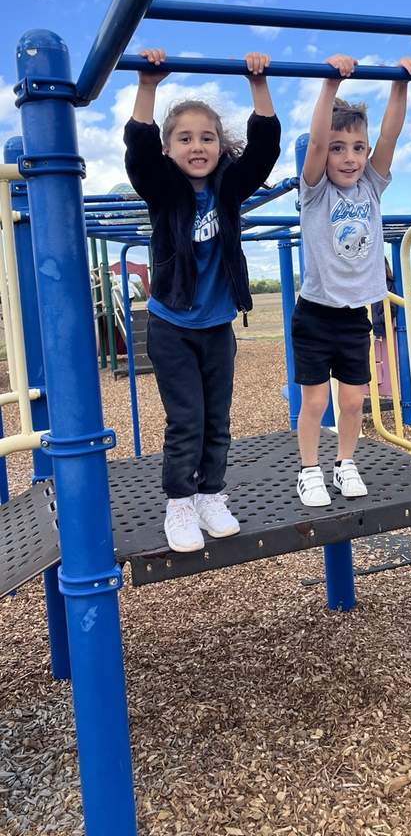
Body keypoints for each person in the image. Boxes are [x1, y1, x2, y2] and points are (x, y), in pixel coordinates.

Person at [124, 48, 281, 552]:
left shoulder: (229, 187)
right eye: (185, 138)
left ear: (220, 146)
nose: (198, 145)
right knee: (186, 419)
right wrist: (148, 86)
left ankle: (212, 495)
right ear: (170, 149)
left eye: (207, 137)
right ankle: (179, 506)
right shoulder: (163, 190)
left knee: (218, 419)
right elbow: (139, 154)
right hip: (171, 325)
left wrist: (258, 83)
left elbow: (265, 151)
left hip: (216, 326)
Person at [292, 52, 411, 506]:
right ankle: (309, 471)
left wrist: (400, 84)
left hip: (355, 314)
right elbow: (314, 145)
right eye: (339, 148)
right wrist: (329, 85)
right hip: (314, 315)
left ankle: (345, 463)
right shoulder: (315, 193)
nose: (348, 158)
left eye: (357, 148)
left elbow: (390, 132)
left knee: (353, 401)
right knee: (315, 402)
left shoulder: (371, 185)